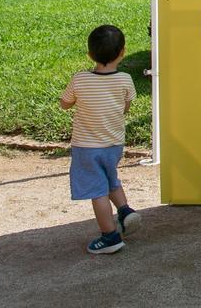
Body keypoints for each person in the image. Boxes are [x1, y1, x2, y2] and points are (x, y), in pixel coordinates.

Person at [58, 25, 141, 254]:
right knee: (110, 177)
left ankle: (109, 236)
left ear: (90, 54)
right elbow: (125, 108)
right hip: (114, 144)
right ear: (123, 52)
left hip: (87, 147)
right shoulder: (125, 79)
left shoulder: (80, 79)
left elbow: (64, 104)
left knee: (97, 191)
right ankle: (124, 211)